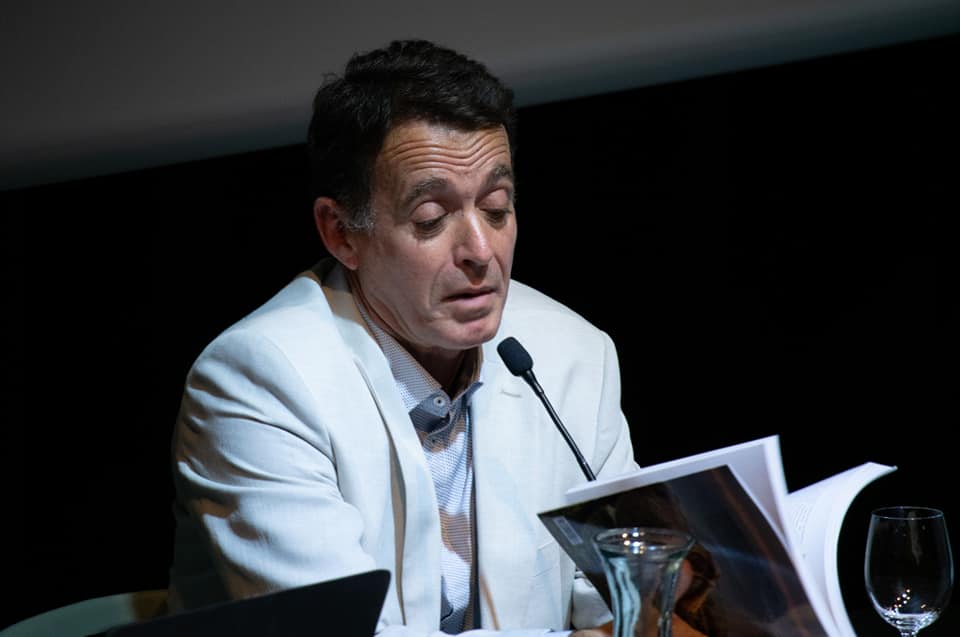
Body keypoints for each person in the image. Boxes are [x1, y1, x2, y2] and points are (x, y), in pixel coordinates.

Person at [168, 39, 704, 636]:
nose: (481, 251)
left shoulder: (572, 354)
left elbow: (620, 602)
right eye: (431, 218)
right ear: (341, 233)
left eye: (496, 208)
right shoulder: (257, 382)